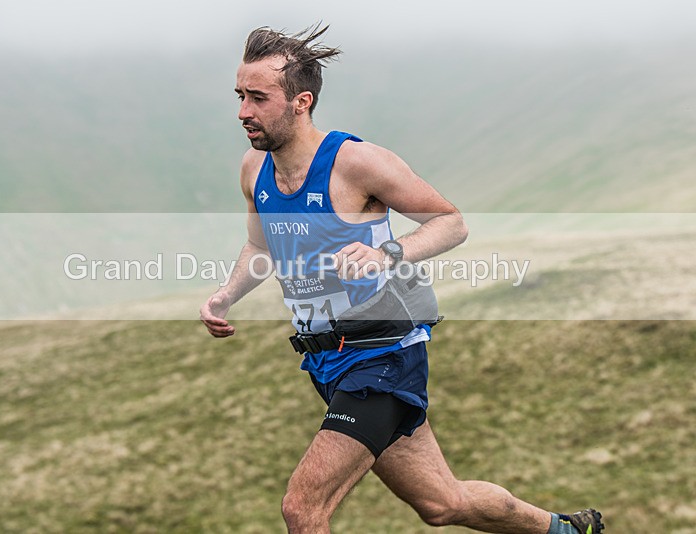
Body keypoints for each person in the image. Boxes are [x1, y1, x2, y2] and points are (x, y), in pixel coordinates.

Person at [199, 25, 604, 534]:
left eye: (258, 98)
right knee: (442, 503)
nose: (243, 112)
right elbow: (261, 246)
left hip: (384, 356)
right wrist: (225, 296)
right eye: (240, 96)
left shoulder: (356, 163)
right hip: (327, 360)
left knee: (303, 507)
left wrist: (387, 252)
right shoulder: (253, 169)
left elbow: (450, 221)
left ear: (301, 102)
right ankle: (568, 530)